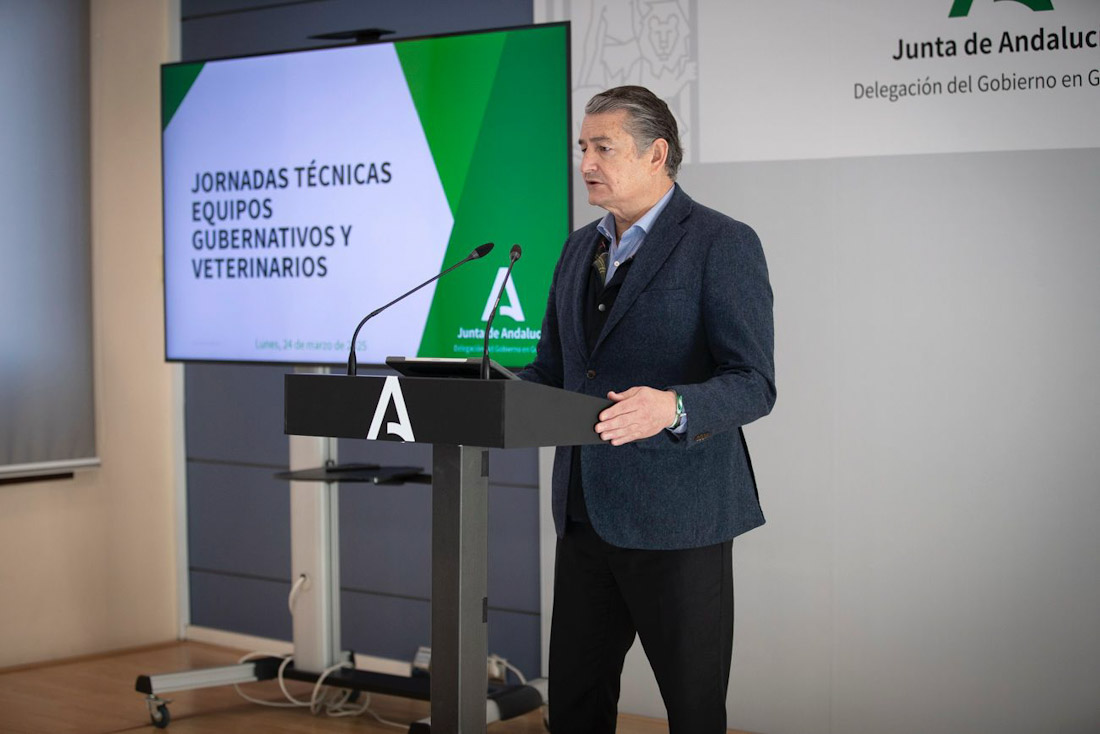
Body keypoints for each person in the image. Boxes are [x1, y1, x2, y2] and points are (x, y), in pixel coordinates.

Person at [519, 85, 776, 733]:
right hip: (584, 515)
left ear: (657, 153)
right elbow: (553, 372)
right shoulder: (579, 248)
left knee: (692, 711)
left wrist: (673, 407)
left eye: (603, 147)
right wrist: (480, 388)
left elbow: (753, 382)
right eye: (583, 147)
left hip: (679, 520)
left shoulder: (722, 242)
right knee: (574, 707)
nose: (585, 163)